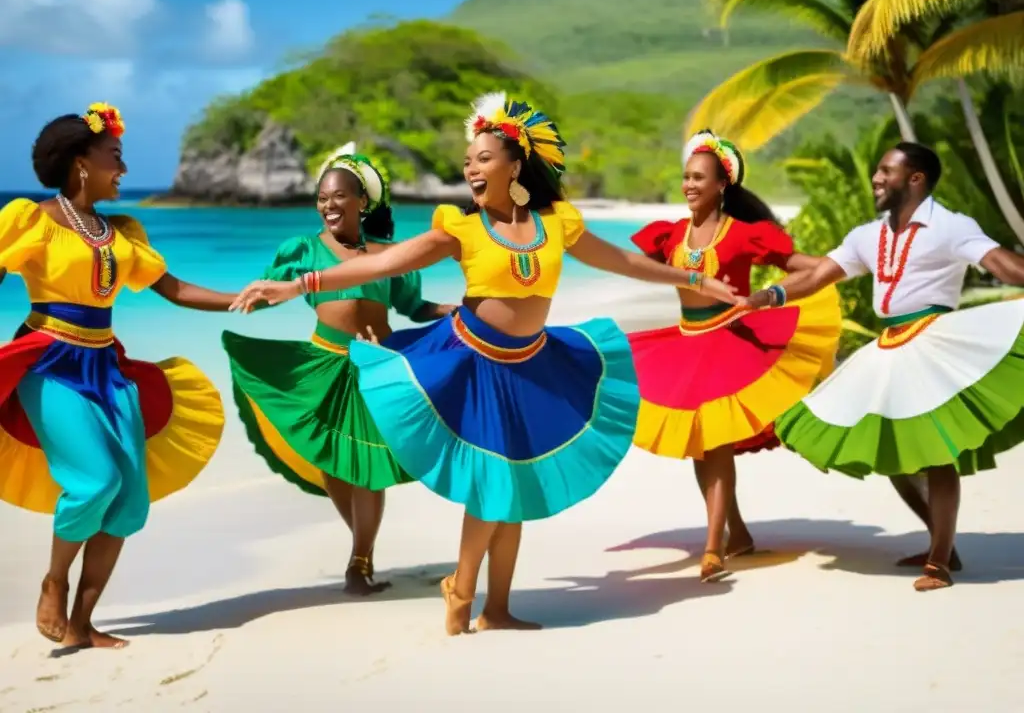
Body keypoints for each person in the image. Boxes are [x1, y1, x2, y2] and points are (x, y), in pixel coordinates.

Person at [229, 92, 739, 635]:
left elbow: (625, 262)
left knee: (515, 484)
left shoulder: (557, 223)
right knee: (495, 485)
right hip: (473, 362)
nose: (470, 167)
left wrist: (694, 279)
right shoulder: (461, 227)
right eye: (468, 160)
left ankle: (497, 608)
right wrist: (298, 284)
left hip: (534, 364)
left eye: (483, 158)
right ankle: (461, 588)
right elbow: (380, 263)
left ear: (515, 166)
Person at [0, 103, 236, 649]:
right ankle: (53, 582)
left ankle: (82, 625)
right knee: (95, 482)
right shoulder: (31, 220)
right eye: (115, 157)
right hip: (49, 363)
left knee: (129, 501)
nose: (123, 170)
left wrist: (245, 299)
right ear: (81, 163)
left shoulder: (120, 234)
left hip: (106, 366)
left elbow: (174, 290)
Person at [748, 141, 1024, 591]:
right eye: (877, 171)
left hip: (935, 342)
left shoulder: (950, 226)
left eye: (885, 171)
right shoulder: (868, 236)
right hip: (888, 348)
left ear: (915, 179)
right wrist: (768, 296)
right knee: (895, 453)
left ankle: (938, 562)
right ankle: (943, 543)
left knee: (937, 452)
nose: (876, 178)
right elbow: (818, 275)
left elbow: (1000, 264)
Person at [221, 143, 455, 594]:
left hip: (377, 365)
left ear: (362, 202)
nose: (329, 205)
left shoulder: (392, 256)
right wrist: (230, 301)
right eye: (322, 198)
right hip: (324, 364)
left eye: (339, 196)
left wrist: (448, 310)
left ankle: (359, 561)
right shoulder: (304, 249)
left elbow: (412, 306)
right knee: (335, 464)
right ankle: (361, 547)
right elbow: (270, 293)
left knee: (366, 465)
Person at [628, 129, 842, 582]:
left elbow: (797, 264)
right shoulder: (669, 236)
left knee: (716, 446)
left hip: (730, 345)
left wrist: (839, 266)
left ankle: (713, 548)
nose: (689, 185)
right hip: (685, 346)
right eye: (685, 177)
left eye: (699, 178)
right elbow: (641, 265)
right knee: (701, 450)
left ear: (722, 185)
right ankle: (738, 533)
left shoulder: (744, 235)